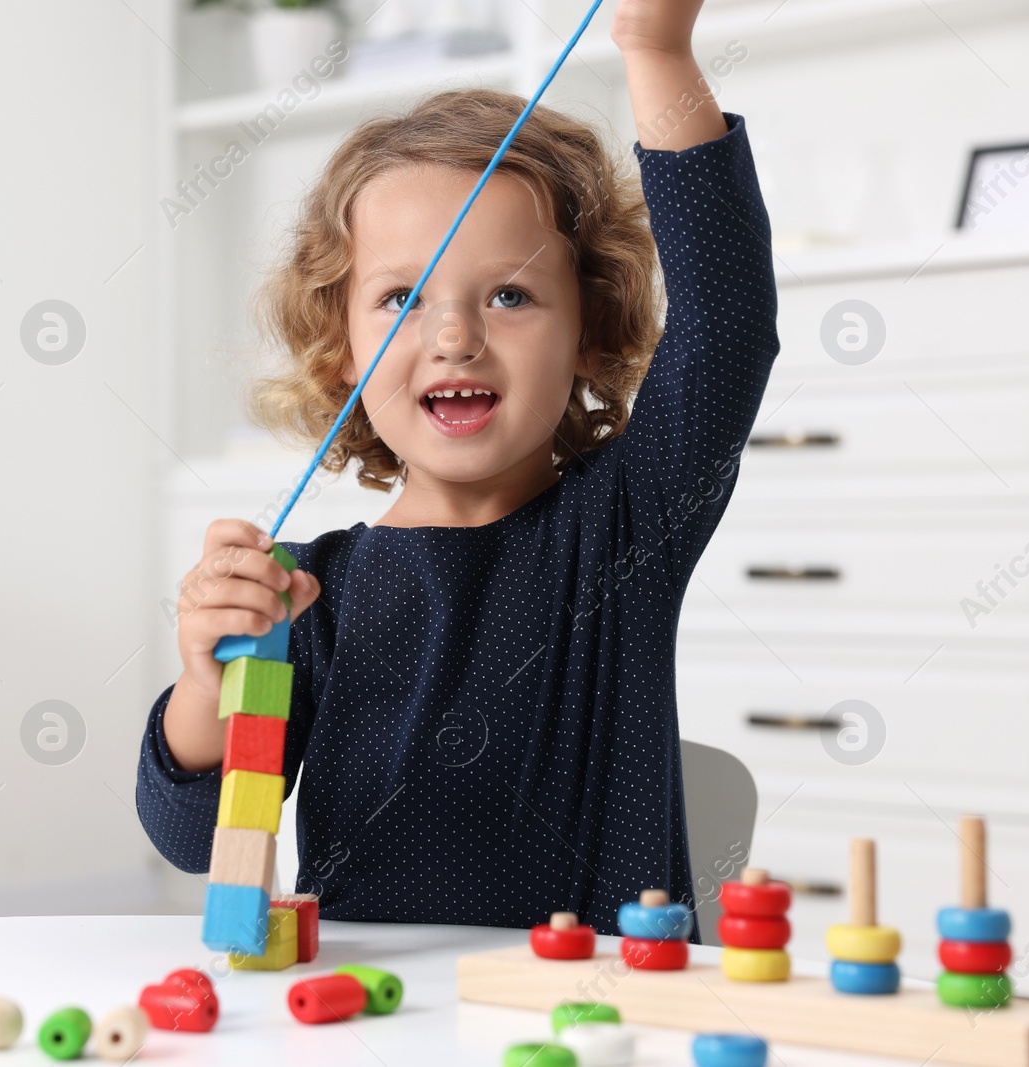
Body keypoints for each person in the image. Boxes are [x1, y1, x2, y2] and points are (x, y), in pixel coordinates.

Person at [137, 0, 779, 932]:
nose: (452, 337)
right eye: (401, 297)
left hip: (588, 1014)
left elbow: (727, 326)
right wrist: (203, 685)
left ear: (588, 332)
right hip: (375, 1013)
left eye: (510, 294)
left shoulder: (626, 529)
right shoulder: (309, 590)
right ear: (341, 347)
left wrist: (654, 45)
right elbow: (197, 838)